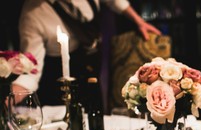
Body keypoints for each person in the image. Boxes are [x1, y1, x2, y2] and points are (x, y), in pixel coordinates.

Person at [11, 0, 161, 106]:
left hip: (93, 66)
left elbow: (114, 1)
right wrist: (8, 99)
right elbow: (31, 72)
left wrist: (138, 21)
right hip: (60, 84)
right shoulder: (32, 14)